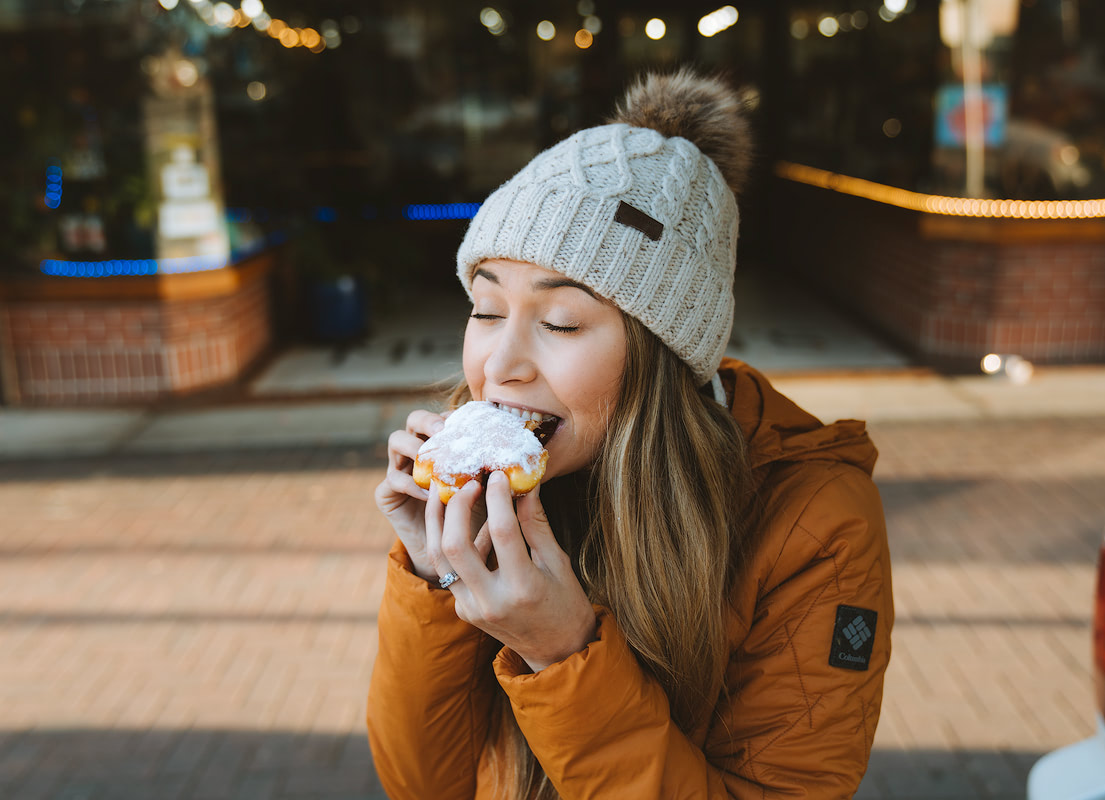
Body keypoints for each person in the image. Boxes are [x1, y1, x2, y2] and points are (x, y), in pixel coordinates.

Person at [369, 69, 893, 799]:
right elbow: (422, 786)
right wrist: (435, 581)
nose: (499, 366)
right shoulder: (505, 490)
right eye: (486, 310)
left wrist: (562, 654)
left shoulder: (813, 523)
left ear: (663, 353)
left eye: (560, 323)